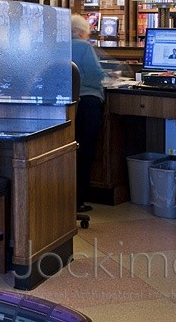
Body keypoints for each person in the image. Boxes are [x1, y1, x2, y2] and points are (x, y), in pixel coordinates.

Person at [71, 14, 106, 212]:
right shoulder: (84, 47)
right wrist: (111, 76)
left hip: (66, 106)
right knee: (85, 151)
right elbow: (95, 74)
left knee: (70, 151)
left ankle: (66, 200)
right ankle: (79, 200)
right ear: (79, 32)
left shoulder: (58, 46)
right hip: (87, 103)